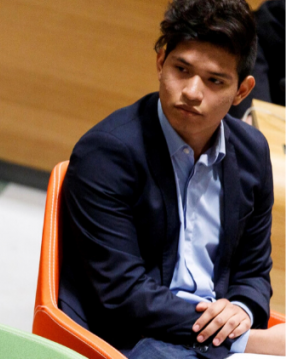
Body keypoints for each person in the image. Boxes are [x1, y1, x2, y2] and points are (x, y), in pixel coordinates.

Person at [58, 0, 284, 358]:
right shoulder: (106, 153)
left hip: (211, 336)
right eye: (182, 69)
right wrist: (245, 339)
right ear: (161, 62)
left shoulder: (252, 150)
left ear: (242, 91)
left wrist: (240, 309)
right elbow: (124, 294)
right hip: (133, 338)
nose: (193, 92)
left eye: (215, 80)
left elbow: (254, 271)